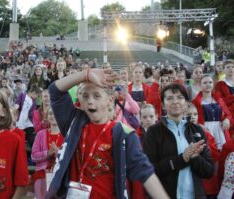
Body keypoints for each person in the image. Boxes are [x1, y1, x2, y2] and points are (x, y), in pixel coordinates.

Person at [47, 68, 169, 199]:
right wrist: (86, 74)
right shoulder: (74, 122)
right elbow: (55, 91)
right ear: (80, 102)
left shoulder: (124, 134)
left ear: (110, 100)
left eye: (97, 96)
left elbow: (145, 172)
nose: (90, 101)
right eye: (85, 96)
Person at [143, 83, 214, 199]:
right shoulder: (153, 132)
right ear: (163, 105)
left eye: (180, 97)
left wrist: (195, 157)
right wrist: (182, 159)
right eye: (169, 98)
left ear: (186, 104)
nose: (175, 101)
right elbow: (149, 170)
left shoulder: (197, 130)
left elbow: (209, 171)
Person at [185, 103, 220, 199]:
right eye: (189, 115)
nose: (193, 117)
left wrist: (203, 151)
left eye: (195, 114)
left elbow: (214, 155)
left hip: (206, 180)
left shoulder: (205, 133)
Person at [192, 75, 232, 150]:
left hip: (220, 130)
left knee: (224, 152)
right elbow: (191, 118)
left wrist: (227, 119)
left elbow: (228, 114)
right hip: (205, 130)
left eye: (210, 82)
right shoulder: (195, 102)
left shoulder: (219, 99)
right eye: (205, 83)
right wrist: (200, 126)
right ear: (200, 85)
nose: (208, 84)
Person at [31, 107, 64, 199]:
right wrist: (47, 153)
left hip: (60, 176)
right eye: (50, 114)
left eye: (56, 113)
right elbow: (33, 156)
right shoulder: (40, 134)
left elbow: (70, 157)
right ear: (47, 117)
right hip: (42, 175)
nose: (53, 116)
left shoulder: (66, 134)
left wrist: (58, 153)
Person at [214, 59, 234, 138]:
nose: (231, 69)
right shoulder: (220, 84)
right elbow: (220, 101)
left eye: (232, 67)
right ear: (224, 69)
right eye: (228, 67)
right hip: (229, 116)